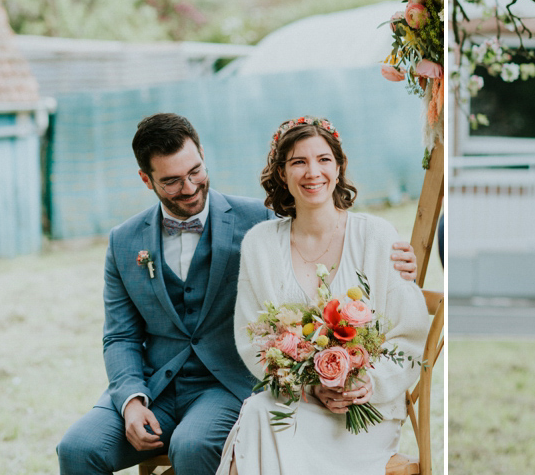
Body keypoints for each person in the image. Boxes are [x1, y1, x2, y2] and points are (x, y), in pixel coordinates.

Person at [57, 113, 418, 475]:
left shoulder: (257, 220)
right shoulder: (124, 241)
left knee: (193, 445)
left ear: (202, 154)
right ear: (145, 179)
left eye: (195, 171)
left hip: (222, 385)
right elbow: (120, 334)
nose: (189, 186)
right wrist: (131, 401)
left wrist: (403, 266)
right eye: (171, 182)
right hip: (154, 387)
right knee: (77, 449)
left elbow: (323, 219)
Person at [215, 116, 431, 475]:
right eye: (298, 161)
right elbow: (253, 339)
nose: (312, 172)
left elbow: (409, 339)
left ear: (339, 166)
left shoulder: (376, 236)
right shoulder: (260, 243)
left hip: (364, 413)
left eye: (323, 159)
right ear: (282, 173)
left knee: (255, 430)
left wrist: (366, 383)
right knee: (257, 412)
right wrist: (311, 389)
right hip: (295, 403)